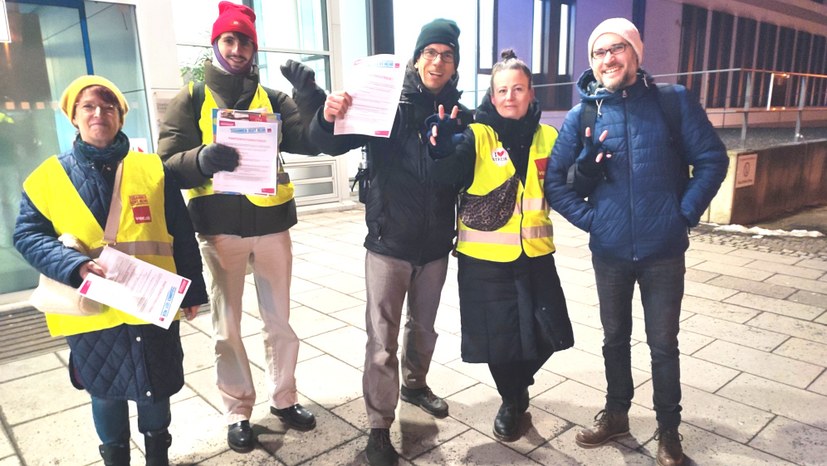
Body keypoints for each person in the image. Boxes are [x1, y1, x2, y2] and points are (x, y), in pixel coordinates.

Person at [544, 18, 729, 466]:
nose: (608, 58)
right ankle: (617, 415)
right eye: (598, 52)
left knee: (663, 344)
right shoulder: (583, 114)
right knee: (614, 339)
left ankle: (669, 432)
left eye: (616, 48)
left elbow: (711, 160)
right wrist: (595, 221)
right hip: (610, 253)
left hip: (663, 251)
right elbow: (555, 182)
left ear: (635, 52)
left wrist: (681, 214)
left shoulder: (673, 103)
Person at [156, 1, 325, 453]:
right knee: (226, 326)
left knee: (280, 322)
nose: (236, 48)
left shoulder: (273, 97)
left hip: (271, 225)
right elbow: (167, 165)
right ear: (216, 45)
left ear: (253, 47)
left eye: (244, 40)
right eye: (228, 40)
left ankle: (285, 400)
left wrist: (310, 97)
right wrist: (201, 159)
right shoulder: (191, 98)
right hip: (219, 229)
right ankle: (238, 410)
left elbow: (310, 140)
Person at [13, 75, 208, 466]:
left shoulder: (153, 169)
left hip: (150, 302)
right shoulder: (47, 177)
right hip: (92, 310)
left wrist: (194, 291)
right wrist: (75, 265)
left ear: (121, 116)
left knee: (156, 388)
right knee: (104, 391)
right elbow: (27, 235)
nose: (99, 113)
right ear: (74, 116)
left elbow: (180, 231)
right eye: (88, 106)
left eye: (108, 107)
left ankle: (158, 458)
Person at [308, 18, 471, 466]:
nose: (438, 61)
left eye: (448, 54)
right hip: (387, 241)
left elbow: (466, 177)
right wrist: (326, 113)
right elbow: (329, 144)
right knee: (380, 340)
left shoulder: (461, 114)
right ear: (417, 58)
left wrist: (455, 151)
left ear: (455, 64)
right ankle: (379, 426)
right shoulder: (385, 103)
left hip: (436, 244)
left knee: (424, 328)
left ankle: (416, 386)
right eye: (431, 52)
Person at [427, 49, 574, 442]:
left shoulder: (549, 136)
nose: (510, 97)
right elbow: (450, 172)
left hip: (536, 254)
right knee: (499, 341)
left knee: (549, 331)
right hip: (484, 260)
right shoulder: (475, 134)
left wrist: (589, 170)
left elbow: (564, 187)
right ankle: (512, 402)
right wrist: (441, 150)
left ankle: (518, 383)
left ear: (530, 93)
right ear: (492, 97)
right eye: (502, 90)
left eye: (518, 89)